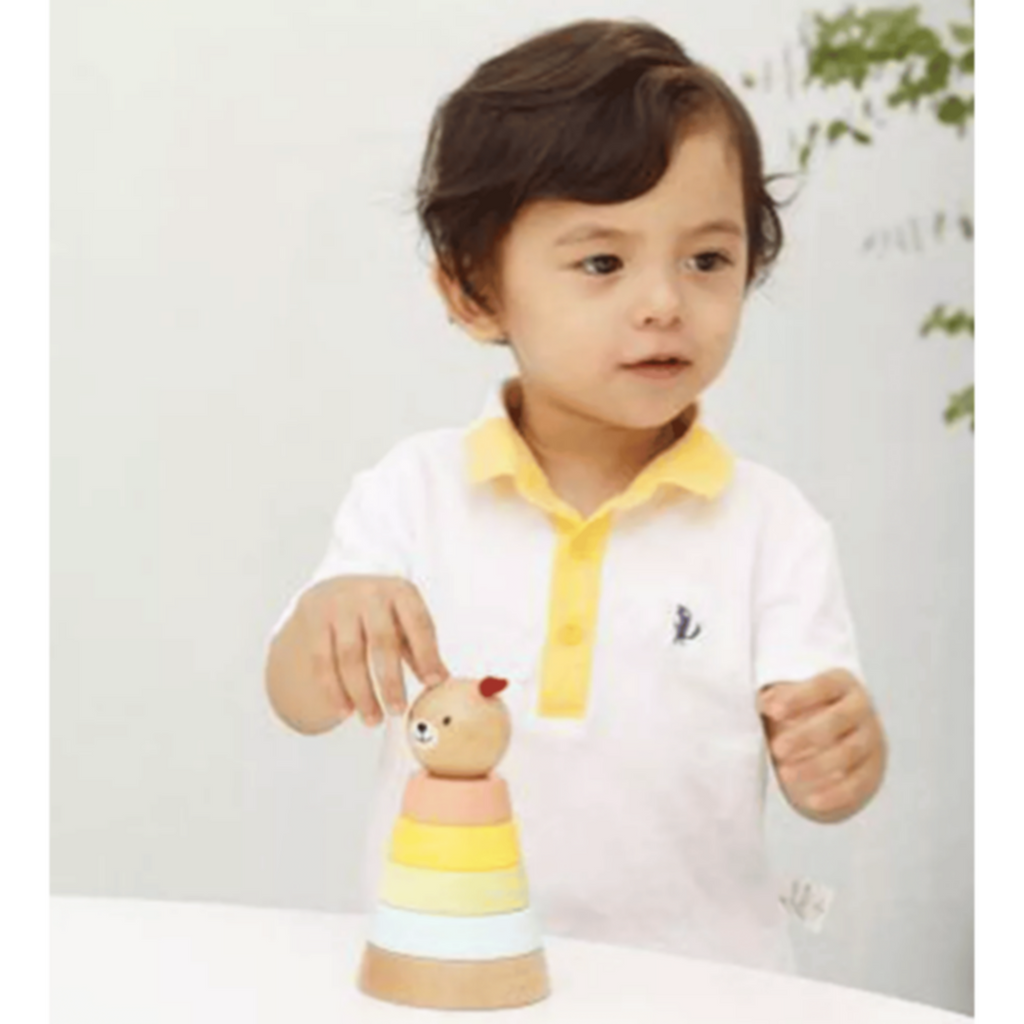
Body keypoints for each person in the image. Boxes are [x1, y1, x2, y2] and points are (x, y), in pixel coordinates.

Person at [265, 17, 887, 974]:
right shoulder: (413, 493)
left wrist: (846, 756)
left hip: (704, 986)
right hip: (456, 971)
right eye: (603, 262)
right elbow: (298, 700)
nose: (664, 303)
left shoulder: (773, 527)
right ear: (475, 291)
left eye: (707, 259)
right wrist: (328, 620)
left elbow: (822, 776)